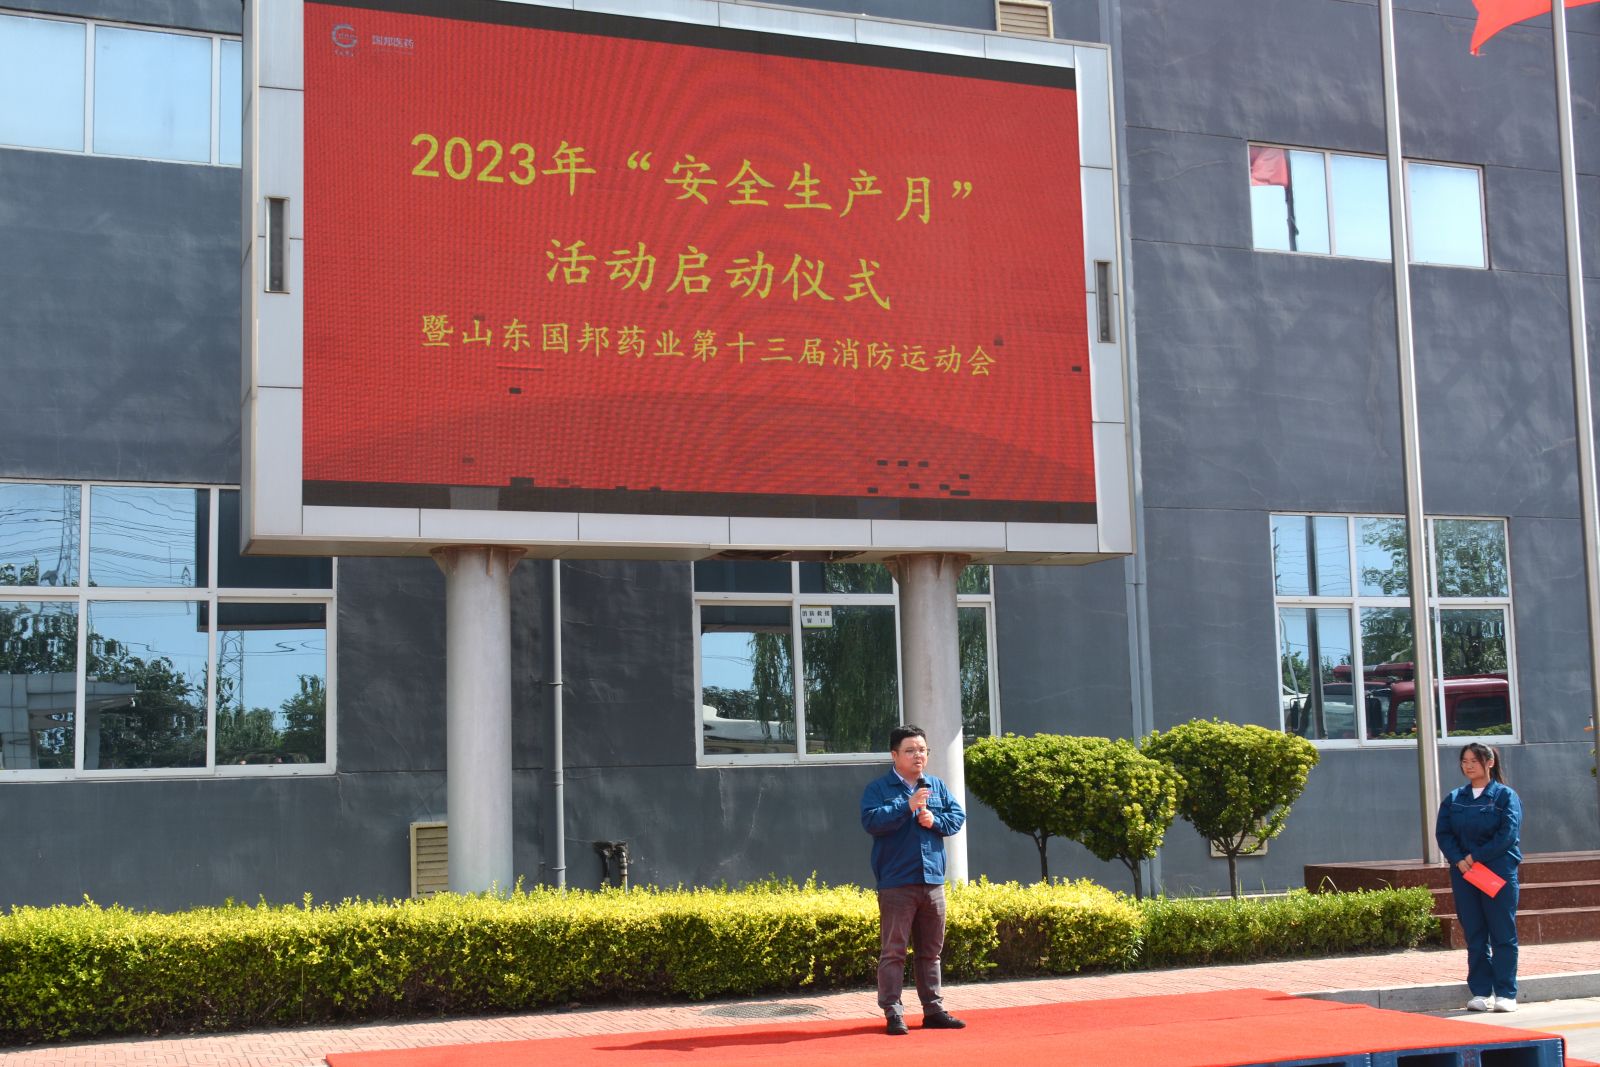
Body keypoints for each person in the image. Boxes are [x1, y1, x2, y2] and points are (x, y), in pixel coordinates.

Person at [860, 724, 967, 1036]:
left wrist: (936, 820)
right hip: (897, 882)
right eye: (910, 750)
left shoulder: (936, 786)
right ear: (894, 755)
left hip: (932, 880)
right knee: (894, 951)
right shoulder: (878, 789)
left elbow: (957, 818)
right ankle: (893, 1012)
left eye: (922, 750)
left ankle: (933, 1010)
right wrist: (906, 806)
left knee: (931, 952)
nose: (918, 755)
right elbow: (871, 821)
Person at [1434, 742, 1522, 1013]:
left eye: (1474, 760)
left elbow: (1508, 834)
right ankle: (1482, 992)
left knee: (1502, 933)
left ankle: (1506, 993)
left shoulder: (1505, 796)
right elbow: (1444, 833)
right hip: (1464, 874)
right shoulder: (1454, 798)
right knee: (1475, 933)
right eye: (1465, 761)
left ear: (1489, 762)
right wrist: (1459, 860)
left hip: (1497, 872)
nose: (1469, 766)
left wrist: (1475, 857)